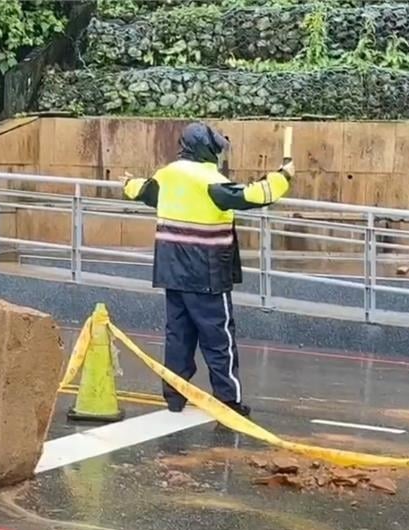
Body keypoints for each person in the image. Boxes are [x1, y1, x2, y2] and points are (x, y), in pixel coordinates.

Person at [122, 122, 294, 417]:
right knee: (218, 339)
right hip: (207, 273)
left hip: (171, 272)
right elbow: (253, 196)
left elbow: (142, 190)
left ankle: (174, 397)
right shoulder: (210, 180)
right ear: (207, 149)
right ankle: (228, 400)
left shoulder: (166, 175)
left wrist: (127, 183)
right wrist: (283, 176)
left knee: (178, 337)